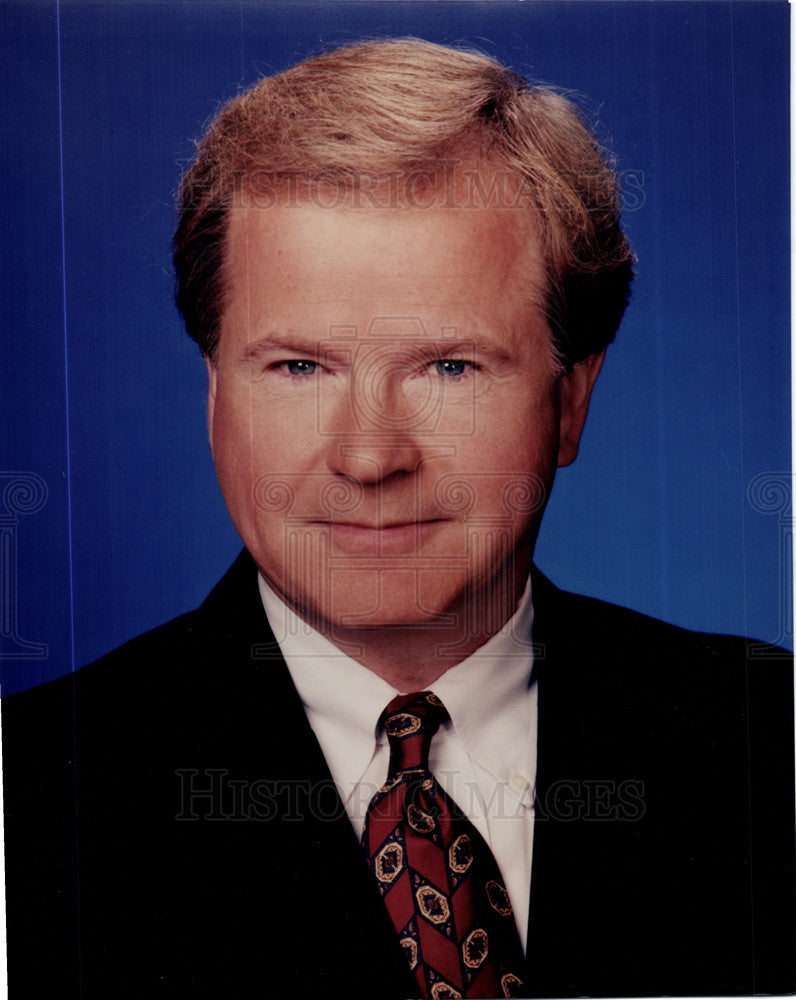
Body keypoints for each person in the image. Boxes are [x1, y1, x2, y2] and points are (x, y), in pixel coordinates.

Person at [2, 38, 792, 999]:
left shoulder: (767, 746)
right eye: (300, 368)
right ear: (215, 399)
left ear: (572, 401)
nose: (370, 457)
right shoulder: (29, 797)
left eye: (449, 369)